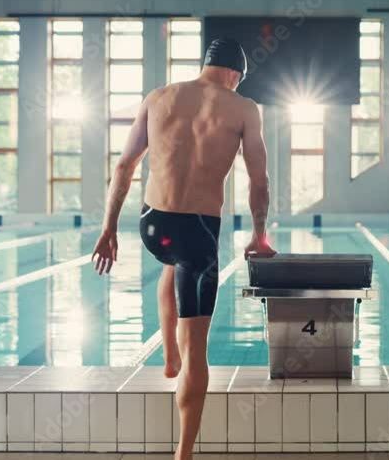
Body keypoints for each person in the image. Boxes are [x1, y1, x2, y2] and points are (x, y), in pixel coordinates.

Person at [91, 37, 275, 460]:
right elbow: (258, 181)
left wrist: (108, 230)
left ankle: (168, 357)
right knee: (199, 345)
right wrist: (259, 234)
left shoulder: (159, 97)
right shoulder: (243, 107)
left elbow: (123, 166)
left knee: (171, 262)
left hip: (153, 225)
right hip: (197, 231)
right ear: (235, 74)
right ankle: (184, 452)